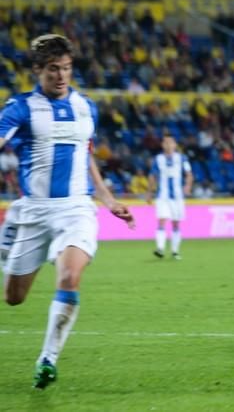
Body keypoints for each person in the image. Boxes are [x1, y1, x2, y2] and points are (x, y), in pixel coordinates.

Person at [0, 34, 134, 389]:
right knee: (13, 298)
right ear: (37, 70)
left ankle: (48, 359)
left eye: (66, 69)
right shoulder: (21, 107)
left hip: (76, 209)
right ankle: (11, 227)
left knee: (69, 277)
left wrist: (107, 199)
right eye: (53, 70)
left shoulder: (85, 107)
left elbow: (84, 155)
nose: (61, 76)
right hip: (34, 212)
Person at [147, 134, 193, 260]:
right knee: (161, 220)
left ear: (175, 144)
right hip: (162, 196)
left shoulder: (182, 158)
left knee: (176, 224)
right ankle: (160, 248)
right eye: (166, 142)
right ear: (162, 145)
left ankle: (175, 251)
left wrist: (188, 186)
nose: (168, 145)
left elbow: (189, 174)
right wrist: (149, 193)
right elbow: (152, 176)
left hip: (177, 197)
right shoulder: (158, 159)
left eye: (170, 142)